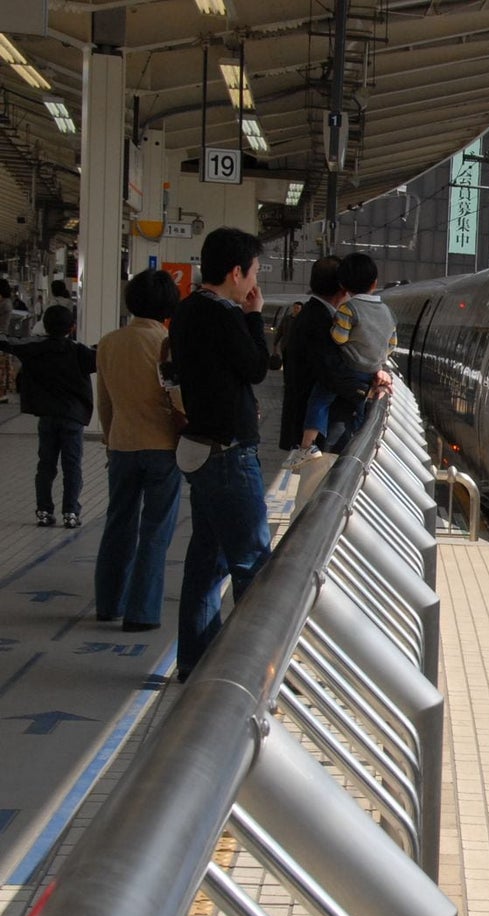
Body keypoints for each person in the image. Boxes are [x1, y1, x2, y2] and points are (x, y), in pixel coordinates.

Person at [168, 226, 272, 681]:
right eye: (253, 273)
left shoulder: (187, 310)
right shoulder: (225, 315)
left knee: (206, 562)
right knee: (252, 564)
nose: (254, 284)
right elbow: (256, 368)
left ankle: (194, 660)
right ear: (236, 273)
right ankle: (259, 671)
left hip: (200, 448)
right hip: (228, 455)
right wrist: (254, 316)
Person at [94, 269, 185, 632]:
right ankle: (142, 612)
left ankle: (108, 603)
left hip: (122, 443)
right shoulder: (165, 342)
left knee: (118, 523)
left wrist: (109, 439)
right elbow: (175, 394)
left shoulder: (109, 342)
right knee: (154, 530)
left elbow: (104, 401)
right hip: (162, 446)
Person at [284, 252, 396, 470]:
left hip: (324, 419)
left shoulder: (322, 314)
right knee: (320, 480)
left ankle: (308, 446)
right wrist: (367, 386)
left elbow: (340, 343)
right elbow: (331, 372)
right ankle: (307, 446)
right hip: (327, 428)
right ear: (341, 287)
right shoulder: (320, 319)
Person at [1, 305, 97, 527]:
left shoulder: (35, 347)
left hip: (46, 415)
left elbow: (9, 342)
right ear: (72, 327)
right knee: (72, 465)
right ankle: (71, 513)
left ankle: (44, 511)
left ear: (44, 325)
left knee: (46, 465)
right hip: (73, 416)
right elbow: (106, 355)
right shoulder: (80, 352)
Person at [269, 299, 301, 370]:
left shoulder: (303, 320)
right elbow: (280, 331)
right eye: (295, 307)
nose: (295, 310)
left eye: (298, 308)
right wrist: (275, 343)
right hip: (285, 345)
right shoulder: (287, 319)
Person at [0, 279, 13, 401]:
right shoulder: (7, 302)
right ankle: (3, 393)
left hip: (1, 335)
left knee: (1, 367)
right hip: (4, 336)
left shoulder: (4, 303)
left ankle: (2, 393)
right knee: (2, 366)